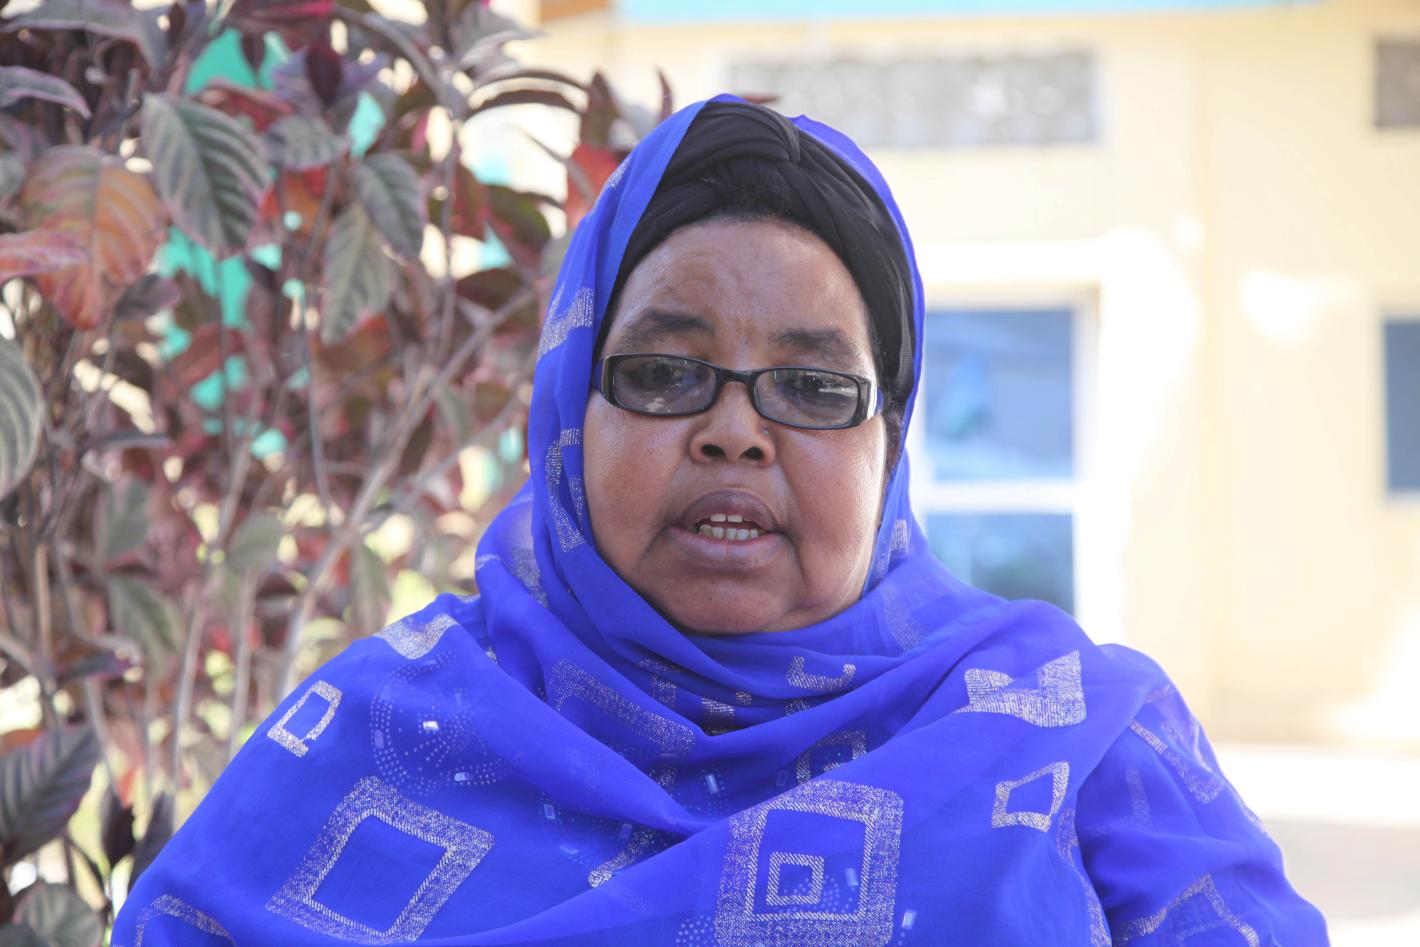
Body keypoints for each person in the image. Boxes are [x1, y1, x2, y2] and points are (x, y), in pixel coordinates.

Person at [113, 97, 1327, 945]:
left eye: (813, 386)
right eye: (662, 371)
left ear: (890, 445)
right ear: (568, 413)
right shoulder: (379, 736)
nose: (736, 431)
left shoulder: (1076, 735)